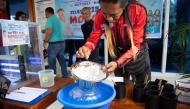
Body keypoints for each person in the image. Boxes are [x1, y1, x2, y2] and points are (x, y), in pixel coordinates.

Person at [76, 0, 151, 81]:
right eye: (104, 13)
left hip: (137, 53)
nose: (109, 18)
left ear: (124, 7)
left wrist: (118, 62)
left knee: (143, 87)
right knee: (121, 86)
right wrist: (87, 47)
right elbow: (94, 37)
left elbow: (137, 45)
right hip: (117, 52)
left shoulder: (138, 10)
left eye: (114, 15)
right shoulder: (100, 14)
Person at [43, 7, 68, 78]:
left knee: (52, 63)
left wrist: (45, 41)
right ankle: (66, 78)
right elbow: (54, 31)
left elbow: (50, 32)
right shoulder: (58, 20)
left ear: (47, 13)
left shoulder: (49, 19)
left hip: (54, 45)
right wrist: (45, 31)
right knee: (62, 62)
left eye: (45, 14)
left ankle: (53, 79)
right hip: (62, 44)